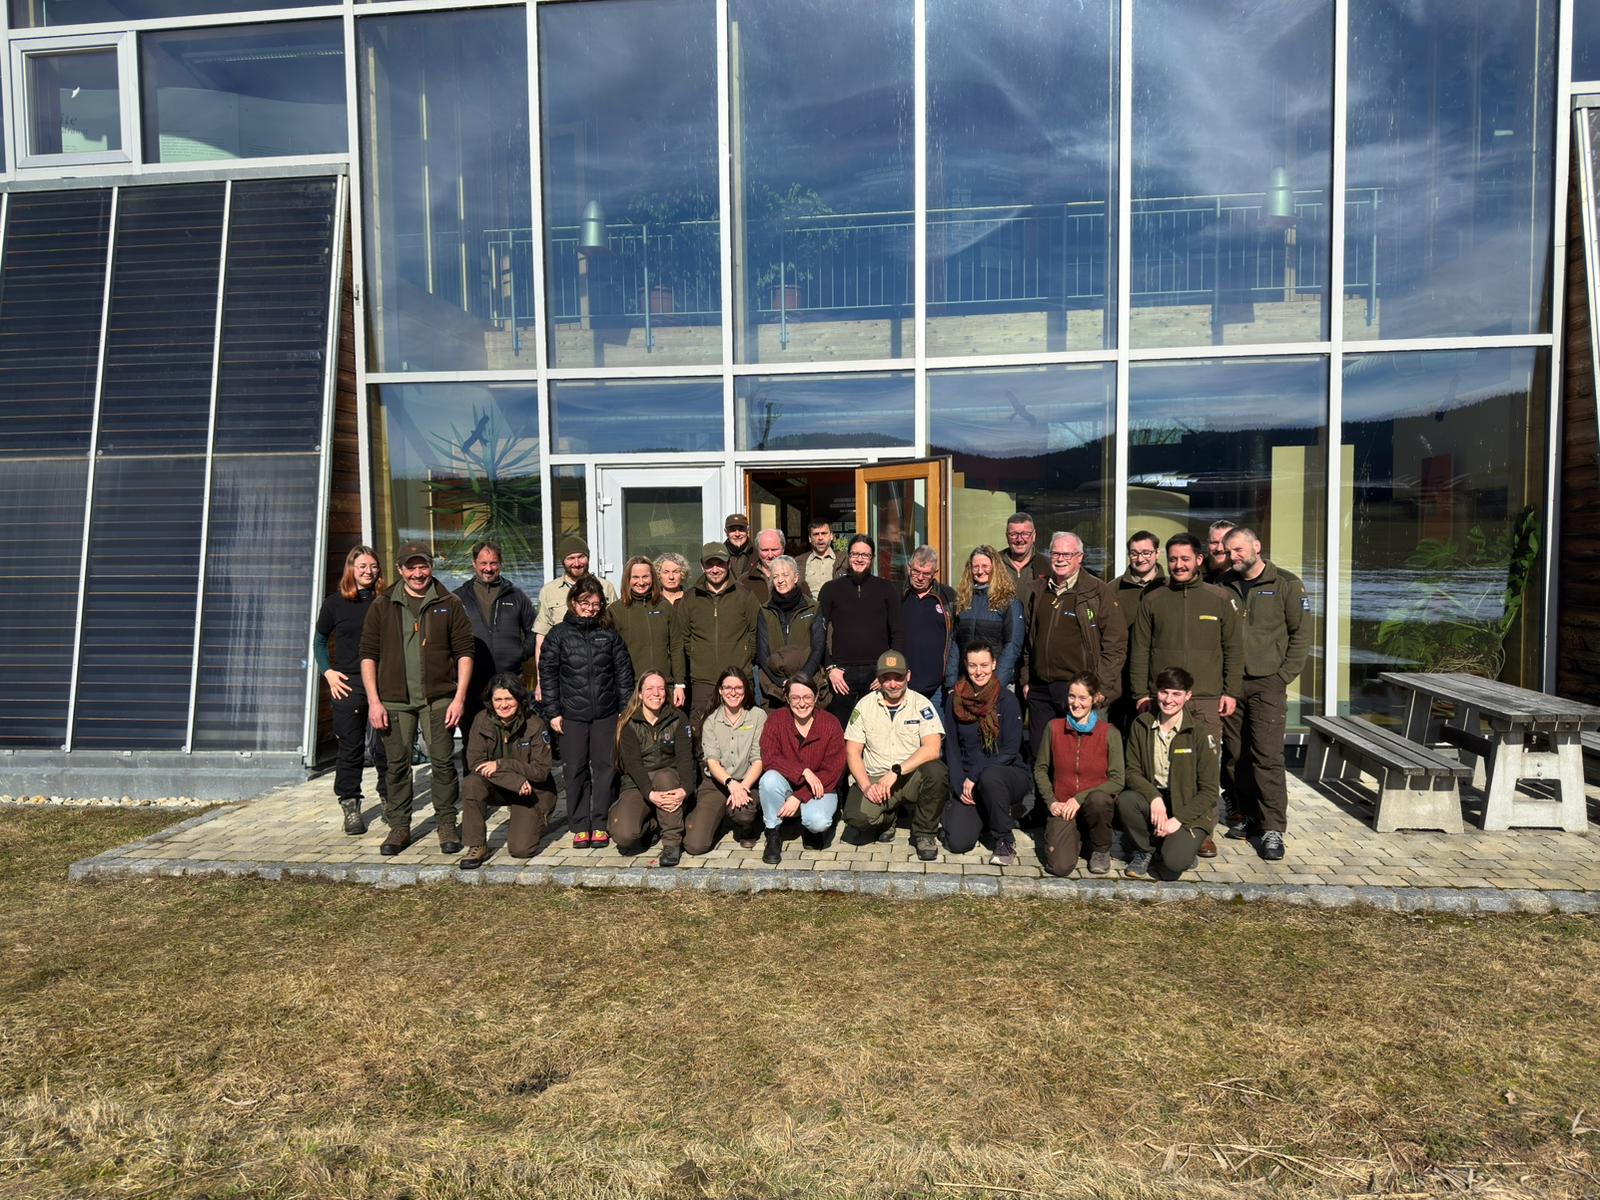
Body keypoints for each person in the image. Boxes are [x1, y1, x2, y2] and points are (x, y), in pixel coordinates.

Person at [1127, 532, 1240, 860]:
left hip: (1205, 697)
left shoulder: (1219, 599)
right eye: (1173, 559)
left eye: (1185, 559)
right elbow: (1140, 651)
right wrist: (1140, 692)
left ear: (1199, 560)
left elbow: (1234, 649)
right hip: (1162, 696)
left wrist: (1230, 691)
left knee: (1204, 766)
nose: (1178, 565)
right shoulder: (1154, 600)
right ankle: (1158, 820)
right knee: (1161, 763)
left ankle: (1202, 830)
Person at [359, 540, 475, 856]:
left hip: (439, 698)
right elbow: (368, 654)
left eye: (423, 566)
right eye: (411, 568)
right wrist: (374, 701)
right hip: (394, 701)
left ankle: (447, 823)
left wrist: (459, 698)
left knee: (443, 762)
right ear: (400, 570)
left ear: (431, 567)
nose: (418, 573)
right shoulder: (383, 605)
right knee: (397, 765)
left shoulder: (448, 602)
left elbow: (465, 652)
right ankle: (399, 826)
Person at [1221, 526, 1311, 862]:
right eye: (1228, 551)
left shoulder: (1286, 583)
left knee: (1267, 756)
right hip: (1231, 685)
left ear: (1257, 546)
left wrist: (1282, 676)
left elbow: (1301, 634)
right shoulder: (1224, 584)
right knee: (1235, 754)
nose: (1233, 556)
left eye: (1239, 549)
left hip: (1267, 683)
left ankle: (1272, 827)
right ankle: (1248, 814)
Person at [538, 575, 634, 848]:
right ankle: (580, 825)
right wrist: (553, 712)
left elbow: (623, 675)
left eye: (596, 603)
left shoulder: (609, 635)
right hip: (571, 715)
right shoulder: (558, 635)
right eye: (584, 603)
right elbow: (548, 675)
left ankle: (601, 822)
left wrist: (623, 710)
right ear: (573, 603)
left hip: (606, 713)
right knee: (575, 769)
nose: (590, 609)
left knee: (605, 768)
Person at [1021, 531, 1128, 761]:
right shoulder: (1038, 590)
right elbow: (1029, 640)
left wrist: (1100, 688)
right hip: (1040, 690)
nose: (1060, 559)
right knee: (1041, 757)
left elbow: (1115, 645)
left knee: (1078, 758)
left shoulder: (1098, 592)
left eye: (1067, 554)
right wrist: (1026, 678)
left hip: (1078, 691)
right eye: (1056, 553)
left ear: (1080, 557)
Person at [841, 650, 948, 861]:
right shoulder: (864, 706)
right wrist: (866, 786)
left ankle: (924, 833)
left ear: (908, 676)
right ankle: (888, 818)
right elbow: (852, 752)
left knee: (937, 772)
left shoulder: (921, 704)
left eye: (898, 677)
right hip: (876, 778)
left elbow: (933, 748)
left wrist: (896, 772)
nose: (892, 684)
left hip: (910, 777)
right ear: (878, 679)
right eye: (886, 678)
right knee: (855, 818)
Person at [1117, 667, 1219, 880]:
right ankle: (1144, 850)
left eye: (1176, 694)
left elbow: (1209, 791)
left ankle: (1180, 846)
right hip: (1156, 801)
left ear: (1187, 696)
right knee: (1127, 800)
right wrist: (1154, 797)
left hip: (1187, 808)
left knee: (1172, 865)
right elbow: (1132, 771)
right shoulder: (1141, 724)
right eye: (1164, 692)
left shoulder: (1199, 733)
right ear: (1157, 692)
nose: (1169, 699)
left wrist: (1178, 820)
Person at [315, 545, 389, 835]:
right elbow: (319, 641)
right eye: (362, 566)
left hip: (384, 681)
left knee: (386, 745)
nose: (369, 571)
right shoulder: (334, 603)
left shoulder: (387, 600)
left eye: (373, 566)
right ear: (351, 569)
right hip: (348, 683)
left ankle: (390, 800)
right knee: (351, 747)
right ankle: (350, 805)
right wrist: (328, 672)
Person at [941, 640, 1030, 865]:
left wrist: (975, 775)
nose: (978, 671)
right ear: (966, 665)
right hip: (969, 781)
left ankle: (1004, 840)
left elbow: (1010, 750)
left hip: (1006, 774)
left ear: (994, 665)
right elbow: (951, 747)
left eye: (984, 665)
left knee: (990, 777)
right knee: (958, 843)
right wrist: (959, 785)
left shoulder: (1007, 700)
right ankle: (985, 815)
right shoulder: (954, 699)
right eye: (973, 665)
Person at [458, 673, 557, 870]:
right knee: (472, 783)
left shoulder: (535, 724)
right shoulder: (481, 720)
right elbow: (476, 763)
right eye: (498, 699)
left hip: (532, 790)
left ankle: (538, 818)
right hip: (507, 785)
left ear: (519, 699)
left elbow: (541, 772)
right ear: (491, 701)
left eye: (509, 699)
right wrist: (514, 781)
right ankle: (477, 845)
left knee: (521, 850)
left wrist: (502, 764)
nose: (503, 705)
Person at [1033, 671, 1125, 877]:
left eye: (1083, 698)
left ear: (1095, 698)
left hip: (1094, 807)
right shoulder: (1054, 727)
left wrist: (1079, 798)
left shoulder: (1109, 732)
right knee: (1059, 867)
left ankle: (1101, 849)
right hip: (1063, 807)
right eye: (1072, 696)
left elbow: (1118, 780)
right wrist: (1051, 802)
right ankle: (1080, 840)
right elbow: (1040, 769)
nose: (1076, 703)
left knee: (1099, 799)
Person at [757, 675, 846, 864]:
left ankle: (810, 829)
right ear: (787, 698)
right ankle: (773, 832)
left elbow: (833, 771)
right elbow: (769, 757)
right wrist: (803, 771)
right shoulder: (776, 719)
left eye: (807, 697)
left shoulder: (830, 724)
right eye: (795, 698)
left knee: (818, 822)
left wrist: (799, 797)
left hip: (821, 787)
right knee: (768, 780)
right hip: (786, 783)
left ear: (816, 697)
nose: (802, 703)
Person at [610, 671, 696, 867]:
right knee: (625, 836)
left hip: (669, 779)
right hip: (637, 781)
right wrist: (650, 794)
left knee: (665, 777)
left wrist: (685, 790)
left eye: (660, 688)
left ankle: (672, 842)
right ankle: (652, 824)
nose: (656, 693)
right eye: (649, 688)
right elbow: (633, 765)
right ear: (640, 694)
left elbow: (685, 759)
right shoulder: (628, 722)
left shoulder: (678, 718)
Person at [818, 534, 903, 728]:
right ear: (848, 557)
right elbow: (817, 632)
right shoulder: (831, 589)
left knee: (876, 730)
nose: (859, 559)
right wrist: (830, 668)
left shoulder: (887, 589)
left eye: (865, 555)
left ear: (872, 558)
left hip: (877, 673)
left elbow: (898, 633)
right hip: (841, 674)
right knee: (842, 731)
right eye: (855, 554)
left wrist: (888, 671)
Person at [676, 541, 760, 735]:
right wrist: (697, 657)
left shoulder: (745, 596)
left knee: (741, 732)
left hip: (738, 678)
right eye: (710, 564)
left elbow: (755, 632)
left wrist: (745, 656)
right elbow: (684, 637)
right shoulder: (690, 598)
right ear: (702, 566)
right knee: (701, 732)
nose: (715, 569)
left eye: (720, 564)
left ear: (728, 564)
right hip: (703, 680)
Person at [452, 540, 536, 730]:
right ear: (474, 563)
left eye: (493, 563)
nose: (488, 569)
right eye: (483, 563)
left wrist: (520, 653)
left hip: (510, 679)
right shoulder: (458, 597)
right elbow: (447, 636)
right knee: (474, 734)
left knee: (512, 733)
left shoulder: (516, 596)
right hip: (472, 681)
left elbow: (534, 630)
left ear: (500, 564)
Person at [689, 667, 766, 854]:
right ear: (720, 691)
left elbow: (758, 759)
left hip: (747, 781)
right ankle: (701, 818)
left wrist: (742, 786)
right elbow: (712, 761)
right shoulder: (710, 721)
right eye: (728, 688)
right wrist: (731, 784)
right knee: (695, 845)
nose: (733, 692)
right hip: (717, 783)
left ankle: (746, 828)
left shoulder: (758, 716)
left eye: (738, 688)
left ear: (745, 690)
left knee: (744, 814)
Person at [533, 536, 616, 700]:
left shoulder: (606, 587)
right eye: (570, 558)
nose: (577, 563)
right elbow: (541, 637)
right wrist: (541, 680)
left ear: (588, 558)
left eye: (581, 557)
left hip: (600, 672)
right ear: (562, 561)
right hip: (563, 673)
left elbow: (615, 631)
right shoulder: (549, 591)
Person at [943, 544, 1023, 694]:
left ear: (995, 568)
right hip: (966, 681)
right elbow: (955, 644)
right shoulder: (963, 601)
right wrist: (951, 683)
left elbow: (1012, 646)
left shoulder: (1008, 602)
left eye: (985, 566)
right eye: (975, 567)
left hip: (997, 683)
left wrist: (995, 684)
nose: (980, 571)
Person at [609, 556, 685, 710]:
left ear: (653, 578)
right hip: (631, 688)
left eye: (645, 576)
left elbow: (677, 647)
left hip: (664, 686)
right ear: (627, 579)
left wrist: (679, 684)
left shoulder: (665, 607)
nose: (641, 582)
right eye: (635, 577)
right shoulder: (615, 611)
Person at [755, 554, 827, 708]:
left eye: (785, 575)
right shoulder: (765, 611)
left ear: (796, 578)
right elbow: (762, 654)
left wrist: (800, 680)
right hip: (775, 688)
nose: (780, 580)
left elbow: (818, 648)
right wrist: (782, 682)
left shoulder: (813, 608)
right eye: (775, 576)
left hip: (807, 683)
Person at [1111, 531, 1165, 730]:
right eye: (1134, 553)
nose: (1140, 558)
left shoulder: (1169, 588)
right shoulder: (1113, 589)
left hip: (1159, 672)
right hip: (1122, 674)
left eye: (1146, 553)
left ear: (1157, 553)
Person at [900, 545, 955, 712]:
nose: (919, 578)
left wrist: (950, 678)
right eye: (916, 571)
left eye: (926, 574)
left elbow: (955, 639)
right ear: (908, 568)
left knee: (936, 729)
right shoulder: (898, 595)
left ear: (934, 574)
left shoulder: (948, 597)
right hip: (901, 684)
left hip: (937, 687)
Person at [1000, 512, 1050, 586]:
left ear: (1034, 536)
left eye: (1025, 534)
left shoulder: (1048, 565)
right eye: (1013, 534)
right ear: (1007, 537)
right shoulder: (994, 562)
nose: (1019, 539)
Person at [798, 518, 844, 597]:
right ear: (810, 538)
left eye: (824, 533)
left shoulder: (844, 560)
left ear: (831, 536)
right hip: (809, 604)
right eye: (816, 534)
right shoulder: (799, 562)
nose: (820, 538)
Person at [740, 528, 785, 606]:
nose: (770, 555)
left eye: (774, 550)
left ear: (783, 549)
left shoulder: (795, 578)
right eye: (765, 550)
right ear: (758, 551)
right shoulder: (745, 581)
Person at [722, 512, 755, 580]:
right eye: (732, 530)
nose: (737, 534)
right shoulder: (720, 554)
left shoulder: (757, 553)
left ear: (747, 530)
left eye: (741, 529)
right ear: (726, 532)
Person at [1205, 519, 1237, 584]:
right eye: (1214, 542)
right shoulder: (1196, 575)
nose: (1219, 549)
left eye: (1225, 542)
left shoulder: (1245, 577)